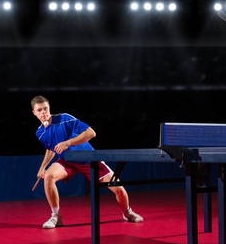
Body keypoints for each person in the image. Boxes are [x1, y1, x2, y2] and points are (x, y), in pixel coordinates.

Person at [31, 95, 144, 228]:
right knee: (49, 176)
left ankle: (127, 212)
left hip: (88, 159)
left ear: (49, 108)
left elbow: (91, 133)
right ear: (34, 112)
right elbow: (51, 149)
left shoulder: (64, 119)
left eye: (45, 108)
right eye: (39, 110)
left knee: (119, 189)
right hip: (67, 161)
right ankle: (56, 217)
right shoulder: (40, 133)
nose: (43, 112)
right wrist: (42, 167)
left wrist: (68, 143)